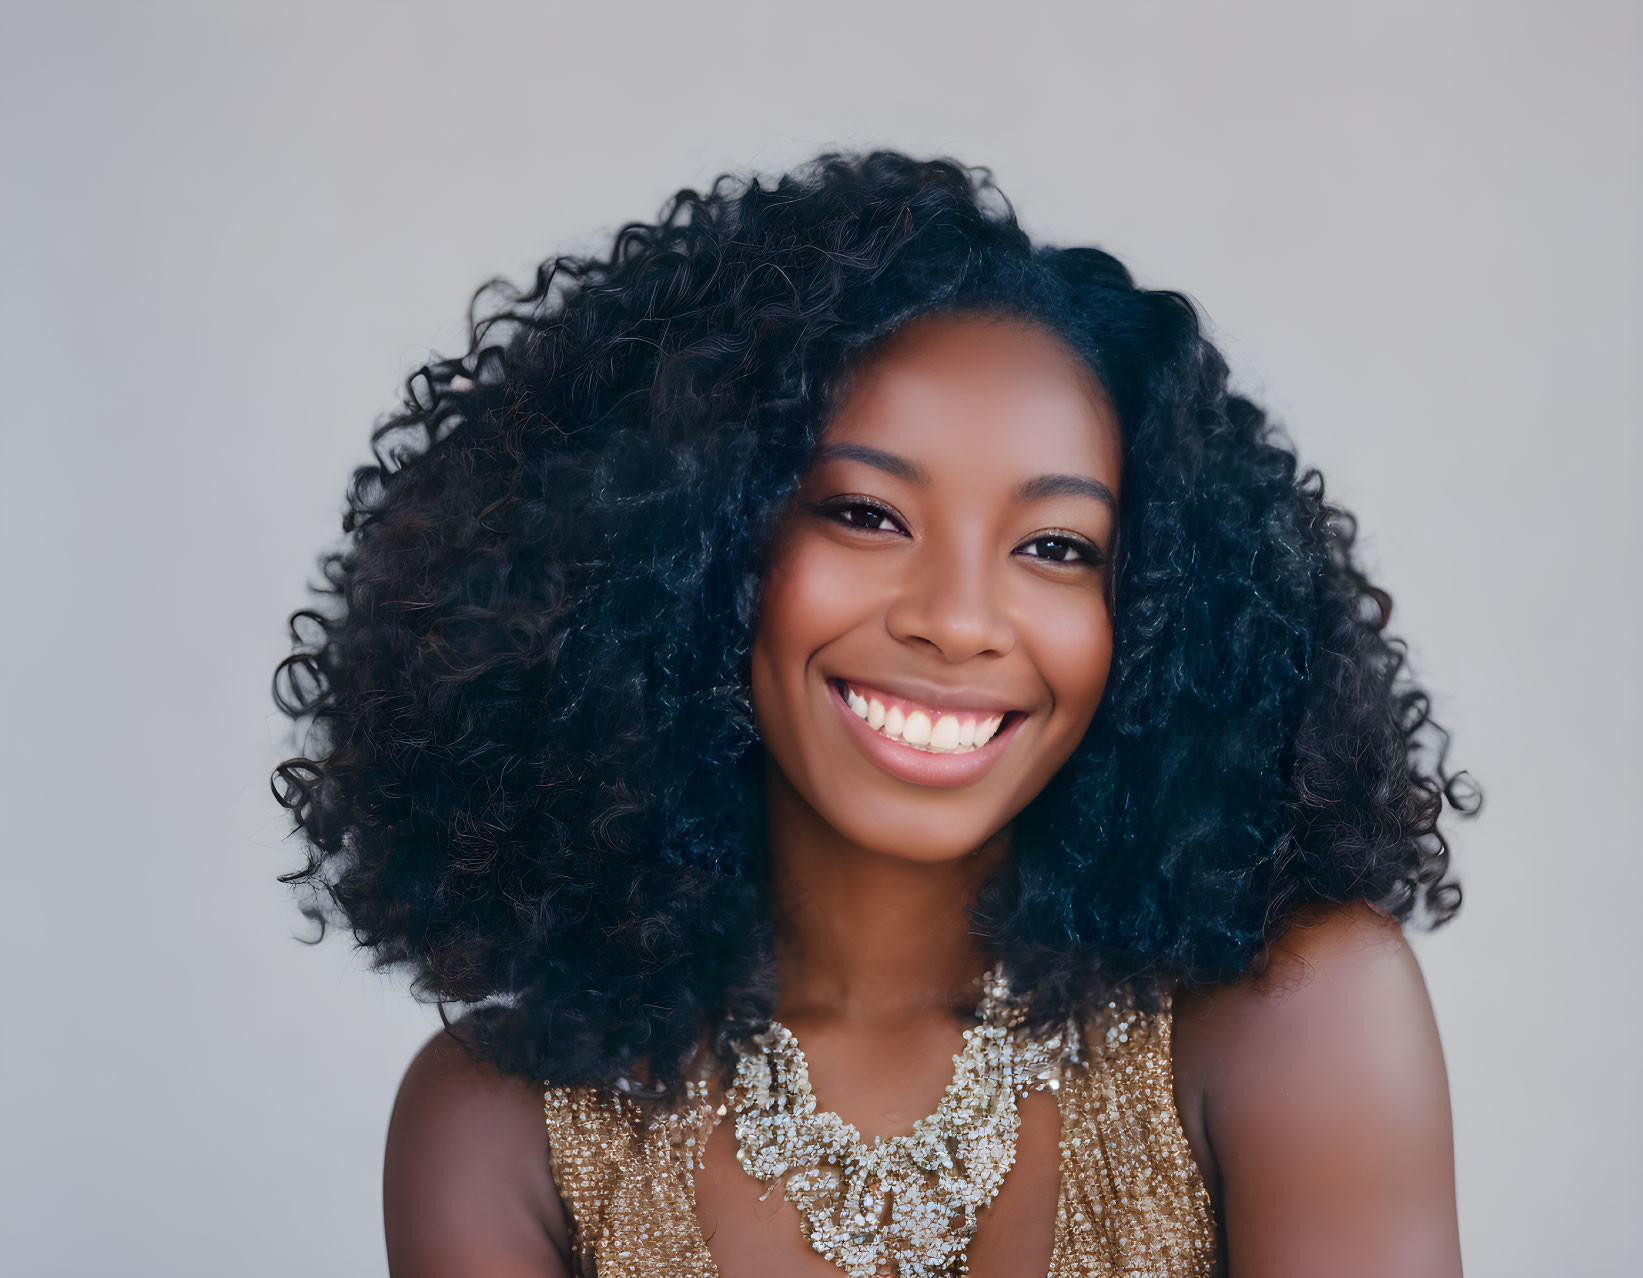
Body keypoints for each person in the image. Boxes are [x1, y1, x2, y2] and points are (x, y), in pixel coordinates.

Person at [272, 149, 1478, 1277]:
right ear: (686, 552)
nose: (958, 621)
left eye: (1056, 547)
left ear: (1157, 613)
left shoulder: (1287, 1017)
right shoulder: (500, 1128)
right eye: (863, 515)